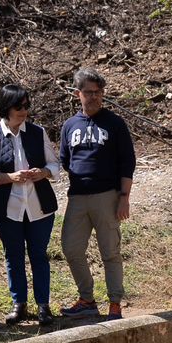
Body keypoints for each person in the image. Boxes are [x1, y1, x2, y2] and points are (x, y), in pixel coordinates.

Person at [56, 67, 136, 320]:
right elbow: (65, 160)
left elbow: (127, 162)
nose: (94, 97)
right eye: (88, 92)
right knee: (71, 248)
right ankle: (87, 299)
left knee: (110, 252)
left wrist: (124, 197)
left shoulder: (114, 123)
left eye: (98, 92)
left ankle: (115, 303)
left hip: (107, 196)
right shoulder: (70, 125)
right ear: (77, 93)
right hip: (77, 197)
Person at [0, 83, 58, 327]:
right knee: (13, 256)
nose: (24, 110)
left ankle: (43, 306)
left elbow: (55, 165)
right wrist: (9, 178)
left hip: (39, 207)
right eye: (18, 106)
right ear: (6, 108)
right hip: (7, 208)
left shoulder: (38, 132)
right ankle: (19, 305)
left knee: (39, 255)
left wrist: (43, 172)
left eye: (26, 105)